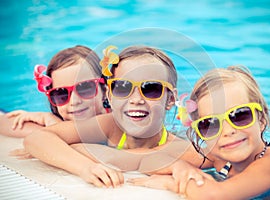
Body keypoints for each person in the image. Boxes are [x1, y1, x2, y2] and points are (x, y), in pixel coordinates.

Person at [23, 45, 202, 188]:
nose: (136, 100)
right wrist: (85, 167)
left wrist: (88, 151)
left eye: (151, 89)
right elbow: (36, 139)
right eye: (122, 88)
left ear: (170, 99)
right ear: (109, 95)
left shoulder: (180, 147)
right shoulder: (110, 125)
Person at [128, 65, 270, 199]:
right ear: (199, 134)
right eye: (209, 124)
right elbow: (142, 157)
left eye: (239, 115)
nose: (228, 131)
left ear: (261, 120)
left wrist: (172, 183)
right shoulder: (217, 157)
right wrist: (177, 166)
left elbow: (215, 196)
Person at [0, 45, 110, 138]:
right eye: (61, 93)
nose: (74, 101)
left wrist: (56, 127)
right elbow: (4, 124)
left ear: (105, 90)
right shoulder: (58, 120)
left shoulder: (117, 120)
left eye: (85, 88)